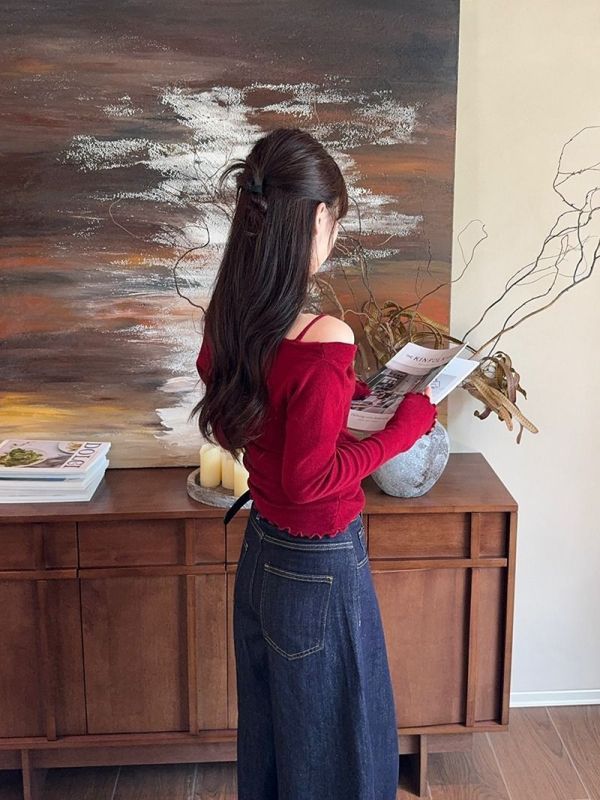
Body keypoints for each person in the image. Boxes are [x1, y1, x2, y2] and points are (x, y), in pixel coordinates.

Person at [191, 127, 437, 800]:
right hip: (319, 564)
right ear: (318, 218)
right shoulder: (324, 335)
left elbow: (251, 413)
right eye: (336, 221)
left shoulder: (232, 319)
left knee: (276, 741)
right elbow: (311, 481)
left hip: (262, 554)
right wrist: (405, 428)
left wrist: (347, 395)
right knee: (343, 750)